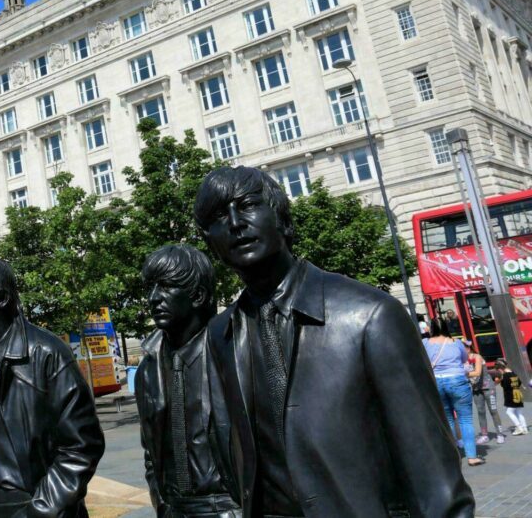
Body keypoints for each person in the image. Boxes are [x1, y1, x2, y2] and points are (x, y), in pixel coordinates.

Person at [195, 166, 474, 517]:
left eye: (248, 205)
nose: (235, 222)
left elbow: (435, 478)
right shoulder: (221, 334)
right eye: (219, 216)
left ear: (283, 220)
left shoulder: (371, 315)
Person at [0, 251, 105, 518]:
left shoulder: (46, 353)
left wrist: (40, 510)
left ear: (1, 298)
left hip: (39, 509)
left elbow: (81, 447)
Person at [135, 245, 239, 517]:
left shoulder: (233, 351)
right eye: (150, 288)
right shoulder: (149, 364)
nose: (154, 298)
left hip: (229, 507)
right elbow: (151, 450)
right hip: (174, 509)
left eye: (166, 287)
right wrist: (161, 503)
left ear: (198, 296)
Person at [425, 318, 482, 465]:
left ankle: (453, 456)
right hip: (457, 381)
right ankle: (472, 457)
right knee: (466, 420)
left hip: (437, 382)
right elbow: (464, 360)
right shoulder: (456, 342)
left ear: (431, 328)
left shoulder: (425, 343)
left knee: (447, 419)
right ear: (446, 327)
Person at [468, 351, 506, 444]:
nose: (464, 349)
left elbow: (477, 372)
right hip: (476, 388)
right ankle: (484, 435)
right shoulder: (461, 360)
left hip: (488, 387)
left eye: (466, 346)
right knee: (481, 412)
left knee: (493, 410)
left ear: (469, 347)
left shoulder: (477, 356)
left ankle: (500, 434)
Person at [498, 358, 528, 435]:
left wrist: (501, 378)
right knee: (519, 412)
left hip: (511, 396)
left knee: (509, 412)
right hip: (518, 394)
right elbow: (519, 383)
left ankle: (519, 427)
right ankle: (525, 428)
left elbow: (503, 385)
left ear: (501, 368)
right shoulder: (514, 373)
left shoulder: (505, 376)